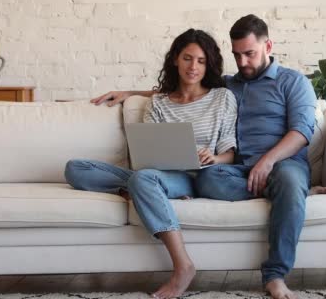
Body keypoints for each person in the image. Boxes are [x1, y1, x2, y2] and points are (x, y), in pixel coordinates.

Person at [91, 14, 320, 299]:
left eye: (249, 54)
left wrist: (268, 161)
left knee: (287, 179)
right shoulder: (229, 84)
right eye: (237, 55)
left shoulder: (293, 82)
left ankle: (275, 275)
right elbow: (185, 85)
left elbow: (301, 132)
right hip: (236, 172)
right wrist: (130, 93)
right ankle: (292, 194)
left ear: (268, 46)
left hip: (282, 163)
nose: (243, 63)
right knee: (208, 180)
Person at [65, 28, 238, 299]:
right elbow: (149, 149)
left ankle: (183, 266)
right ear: (175, 60)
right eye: (187, 58)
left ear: (210, 64)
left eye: (201, 61)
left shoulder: (222, 98)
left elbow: (230, 151)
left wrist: (215, 158)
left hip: (196, 176)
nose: (193, 67)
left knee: (143, 179)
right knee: (76, 169)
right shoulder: (157, 102)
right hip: (159, 173)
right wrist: (130, 94)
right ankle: (140, 192)